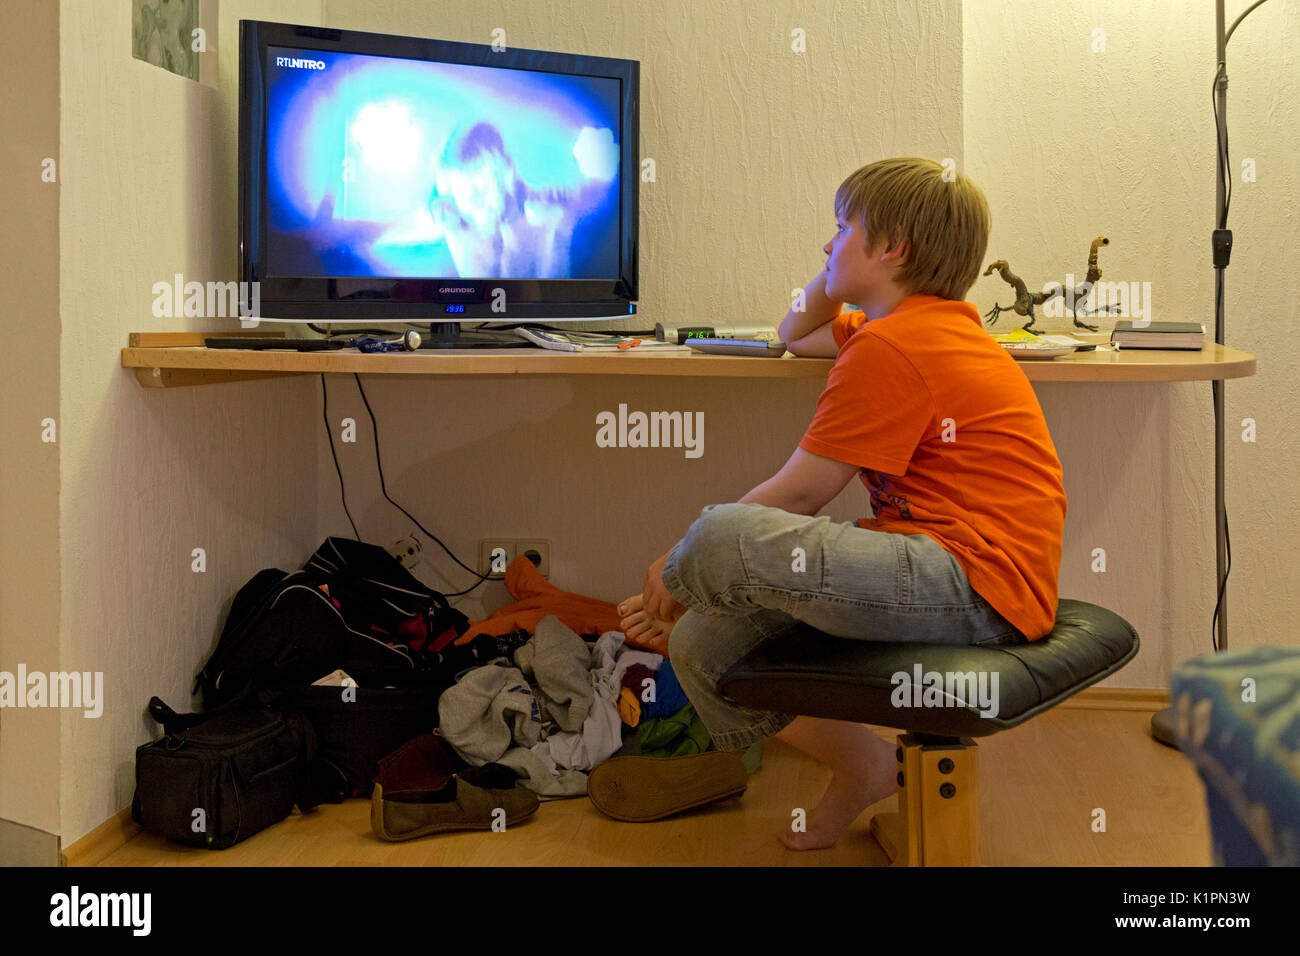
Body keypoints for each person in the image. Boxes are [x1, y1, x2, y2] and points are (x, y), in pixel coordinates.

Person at [613, 157, 1067, 850]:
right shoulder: (906, 326)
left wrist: (677, 568)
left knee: (721, 532)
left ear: (891, 248)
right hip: (948, 571)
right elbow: (794, 332)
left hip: (975, 586)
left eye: (840, 228)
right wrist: (834, 273)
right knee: (700, 645)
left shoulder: (899, 344)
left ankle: (670, 591)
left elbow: (801, 493)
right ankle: (866, 768)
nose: (826, 245)